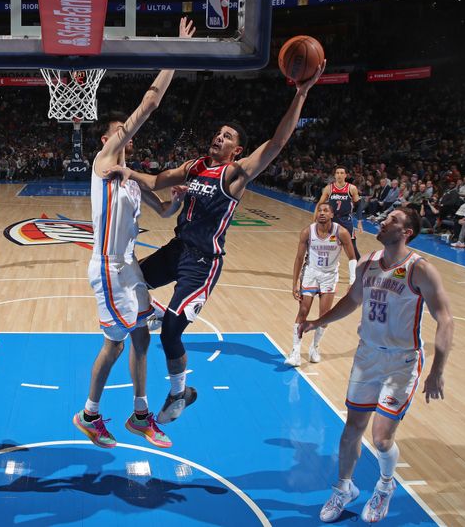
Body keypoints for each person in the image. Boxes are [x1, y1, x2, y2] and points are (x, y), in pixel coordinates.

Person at [106, 59, 326, 423]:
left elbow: (278, 142)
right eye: (218, 133)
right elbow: (157, 180)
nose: (219, 137)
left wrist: (301, 93)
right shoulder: (194, 167)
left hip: (203, 262)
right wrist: (126, 171)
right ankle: (160, 311)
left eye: (228, 136)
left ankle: (179, 395)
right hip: (178, 248)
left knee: (171, 334)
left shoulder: (236, 175)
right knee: (129, 278)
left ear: (237, 150)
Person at [73, 17, 195, 450]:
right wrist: (175, 56)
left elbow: (164, 210)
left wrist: (178, 195)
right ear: (106, 139)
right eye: (118, 129)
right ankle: (88, 415)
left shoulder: (126, 179)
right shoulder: (103, 164)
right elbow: (149, 106)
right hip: (107, 269)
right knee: (117, 343)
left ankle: (140, 415)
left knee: (142, 338)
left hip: (129, 270)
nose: (125, 133)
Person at [299, 207, 454, 523]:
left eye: (393, 220)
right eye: (387, 217)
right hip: (367, 356)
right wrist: (318, 321)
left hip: (402, 362)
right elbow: (352, 300)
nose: (383, 221)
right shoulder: (368, 263)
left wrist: (437, 370)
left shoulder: (420, 270)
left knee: (382, 438)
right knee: (352, 429)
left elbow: (445, 319)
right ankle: (343, 488)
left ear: (406, 232)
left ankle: (385, 485)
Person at [287, 202, 355, 367]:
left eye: (326, 210)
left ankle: (314, 348)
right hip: (310, 273)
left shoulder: (342, 233)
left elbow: (352, 258)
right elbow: (298, 258)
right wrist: (295, 283)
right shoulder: (307, 232)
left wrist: (353, 280)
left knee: (325, 315)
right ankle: (295, 351)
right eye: (319, 210)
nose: (322, 213)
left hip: (329, 276)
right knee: (303, 310)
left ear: (332, 215)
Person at [315, 165, 363, 261]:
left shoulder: (351, 188)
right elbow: (320, 204)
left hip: (346, 220)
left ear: (345, 175)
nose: (339, 175)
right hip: (332, 220)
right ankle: (326, 268)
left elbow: (359, 205)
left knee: (352, 247)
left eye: (341, 173)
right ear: (334, 175)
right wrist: (315, 219)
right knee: (329, 246)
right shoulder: (329, 188)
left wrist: (359, 221)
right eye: (337, 173)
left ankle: (360, 268)